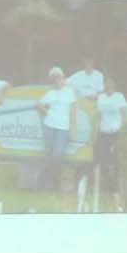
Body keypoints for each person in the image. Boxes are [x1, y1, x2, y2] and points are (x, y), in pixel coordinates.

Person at [37, 66, 76, 194]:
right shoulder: (50, 93)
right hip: (49, 126)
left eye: (59, 77)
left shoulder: (69, 92)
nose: (57, 80)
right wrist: (45, 111)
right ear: (52, 80)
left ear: (62, 78)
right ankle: (48, 185)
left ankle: (47, 180)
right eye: (54, 78)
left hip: (63, 129)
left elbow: (72, 111)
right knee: (48, 155)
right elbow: (38, 104)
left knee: (57, 154)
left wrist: (71, 129)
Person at [93, 73, 127, 210]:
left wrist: (122, 129)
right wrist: (95, 134)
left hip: (116, 133)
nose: (109, 86)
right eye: (107, 84)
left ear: (114, 85)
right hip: (103, 133)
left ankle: (117, 189)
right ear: (104, 86)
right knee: (103, 161)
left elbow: (125, 115)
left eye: (111, 84)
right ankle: (110, 186)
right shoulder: (101, 98)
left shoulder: (119, 97)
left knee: (116, 161)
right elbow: (99, 117)